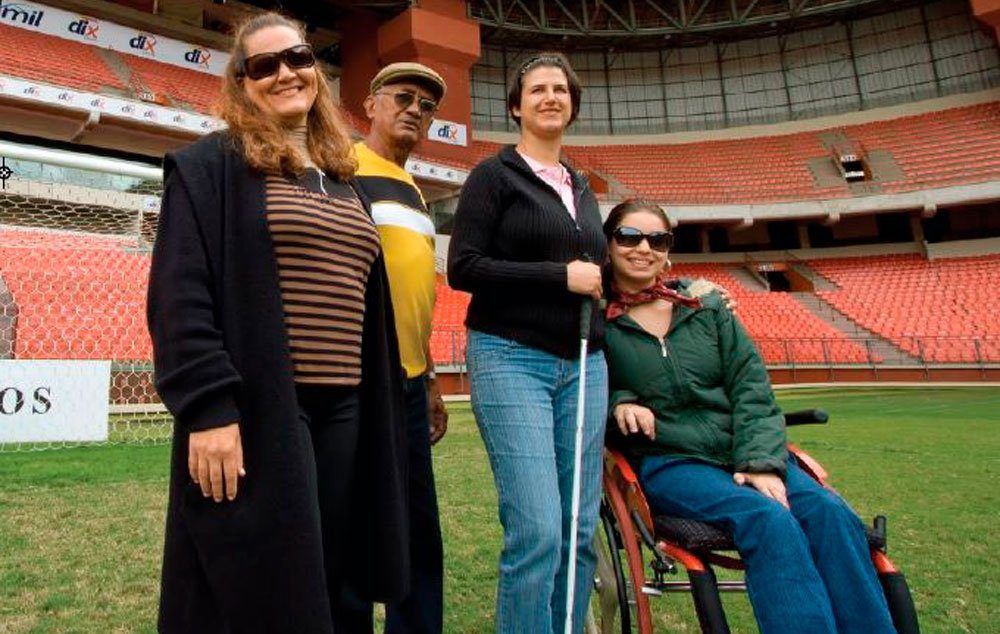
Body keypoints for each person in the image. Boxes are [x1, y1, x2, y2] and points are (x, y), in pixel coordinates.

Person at [147, 13, 409, 633]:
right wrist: (209, 408)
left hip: (347, 406)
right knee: (262, 584)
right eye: (264, 65)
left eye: (297, 57)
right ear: (242, 83)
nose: (286, 73)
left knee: (333, 574)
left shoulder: (347, 181)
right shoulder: (212, 168)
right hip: (265, 408)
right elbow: (179, 296)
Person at [601, 199, 896, 634]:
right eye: (629, 237)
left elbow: (751, 388)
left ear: (668, 251)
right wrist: (619, 402)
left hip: (742, 448)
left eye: (657, 239)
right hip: (672, 460)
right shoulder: (595, 322)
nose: (643, 248)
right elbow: (585, 390)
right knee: (768, 519)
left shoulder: (708, 309)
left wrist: (759, 461)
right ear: (608, 245)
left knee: (831, 513)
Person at [447, 52, 605, 633]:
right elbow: (463, 267)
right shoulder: (494, 176)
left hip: (586, 365)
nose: (550, 97)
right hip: (511, 356)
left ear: (572, 104)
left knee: (578, 529)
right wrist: (557, 275)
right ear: (516, 106)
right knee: (537, 528)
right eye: (537, 89)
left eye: (561, 89)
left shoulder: (582, 188)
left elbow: (607, 272)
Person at [349, 62, 448, 634]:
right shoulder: (343, 167)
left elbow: (416, 295)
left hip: (410, 382)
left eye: (427, 105)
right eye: (403, 97)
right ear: (372, 104)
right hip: (360, 379)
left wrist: (431, 376)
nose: (415, 109)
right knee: (360, 524)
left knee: (418, 529)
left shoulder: (415, 190)